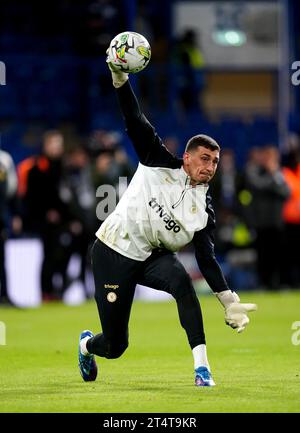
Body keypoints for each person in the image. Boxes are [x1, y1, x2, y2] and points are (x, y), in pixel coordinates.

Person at [78, 55, 257, 387]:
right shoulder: (156, 159)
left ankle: (202, 369)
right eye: (205, 159)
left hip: (152, 256)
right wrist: (120, 78)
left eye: (215, 162)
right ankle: (87, 346)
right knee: (115, 346)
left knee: (184, 285)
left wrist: (227, 299)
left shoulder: (204, 209)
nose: (210, 166)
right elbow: (134, 118)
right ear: (187, 158)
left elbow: (206, 258)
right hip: (112, 251)